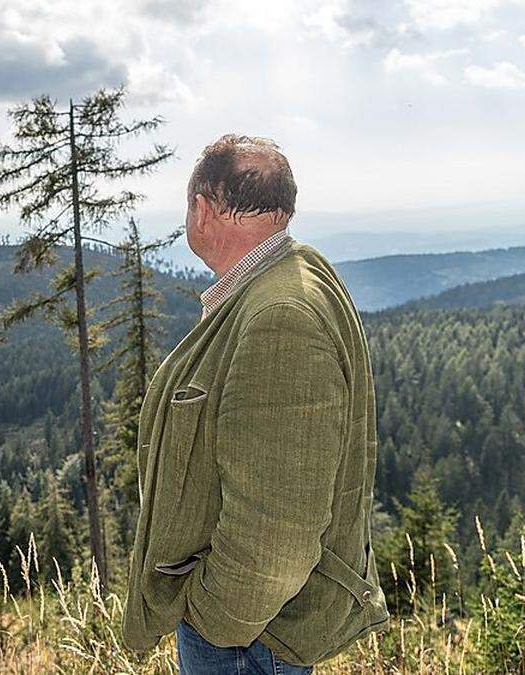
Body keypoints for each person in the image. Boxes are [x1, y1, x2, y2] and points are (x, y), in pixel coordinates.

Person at [122, 134, 390, 673]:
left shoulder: (279, 316)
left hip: (250, 640)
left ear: (202, 209)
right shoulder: (288, 279)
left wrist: (214, 618)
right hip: (255, 632)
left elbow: (279, 531)